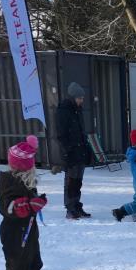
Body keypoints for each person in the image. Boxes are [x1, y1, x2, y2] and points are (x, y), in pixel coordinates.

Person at [0, 135, 56, 270]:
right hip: (14, 233)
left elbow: (29, 206)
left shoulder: (25, 181)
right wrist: (30, 206)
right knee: (17, 267)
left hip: (28, 230)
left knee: (34, 262)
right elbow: (8, 207)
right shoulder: (9, 182)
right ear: (24, 166)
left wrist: (35, 203)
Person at [56, 82, 90, 219]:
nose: (82, 100)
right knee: (71, 180)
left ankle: (76, 205)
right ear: (72, 97)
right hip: (70, 152)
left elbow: (81, 132)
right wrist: (67, 150)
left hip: (80, 150)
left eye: (82, 98)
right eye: (79, 98)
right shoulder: (63, 111)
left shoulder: (78, 110)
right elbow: (61, 134)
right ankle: (70, 208)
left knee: (78, 181)